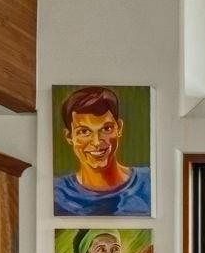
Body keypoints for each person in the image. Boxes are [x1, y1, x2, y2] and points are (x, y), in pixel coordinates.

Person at [54, 86, 151, 215]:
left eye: (106, 129)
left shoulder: (150, 182)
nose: (96, 142)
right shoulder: (57, 194)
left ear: (119, 128)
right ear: (69, 137)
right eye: (84, 131)